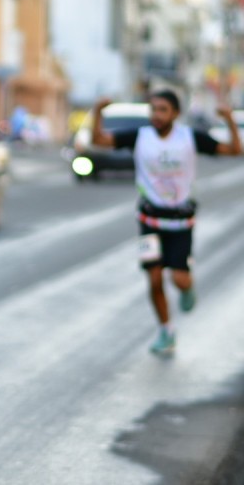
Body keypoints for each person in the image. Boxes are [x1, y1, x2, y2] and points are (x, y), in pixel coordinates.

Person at [91, 90, 241, 355]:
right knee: (154, 278)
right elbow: (99, 140)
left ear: (175, 113)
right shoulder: (140, 136)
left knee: (178, 278)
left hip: (180, 222)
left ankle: (187, 288)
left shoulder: (189, 137)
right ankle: (166, 331)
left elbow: (234, 150)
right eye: (153, 109)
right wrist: (98, 112)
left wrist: (229, 119)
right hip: (149, 220)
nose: (157, 115)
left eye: (163, 110)